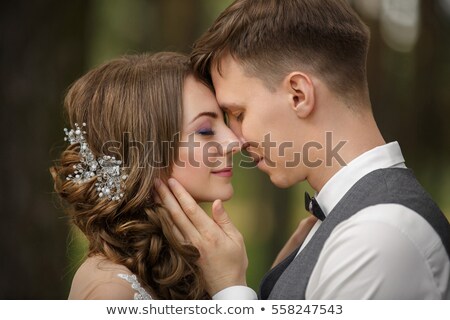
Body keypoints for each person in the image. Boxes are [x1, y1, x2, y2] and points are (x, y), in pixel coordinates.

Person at [156, 0, 450, 299]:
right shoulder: (348, 226)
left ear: (298, 95)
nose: (236, 139)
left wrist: (229, 289)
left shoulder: (379, 237)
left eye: (240, 114)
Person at [50, 52, 241, 299]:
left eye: (225, 122)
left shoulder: (189, 263)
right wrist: (232, 289)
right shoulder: (111, 290)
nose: (233, 142)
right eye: (205, 130)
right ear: (144, 153)